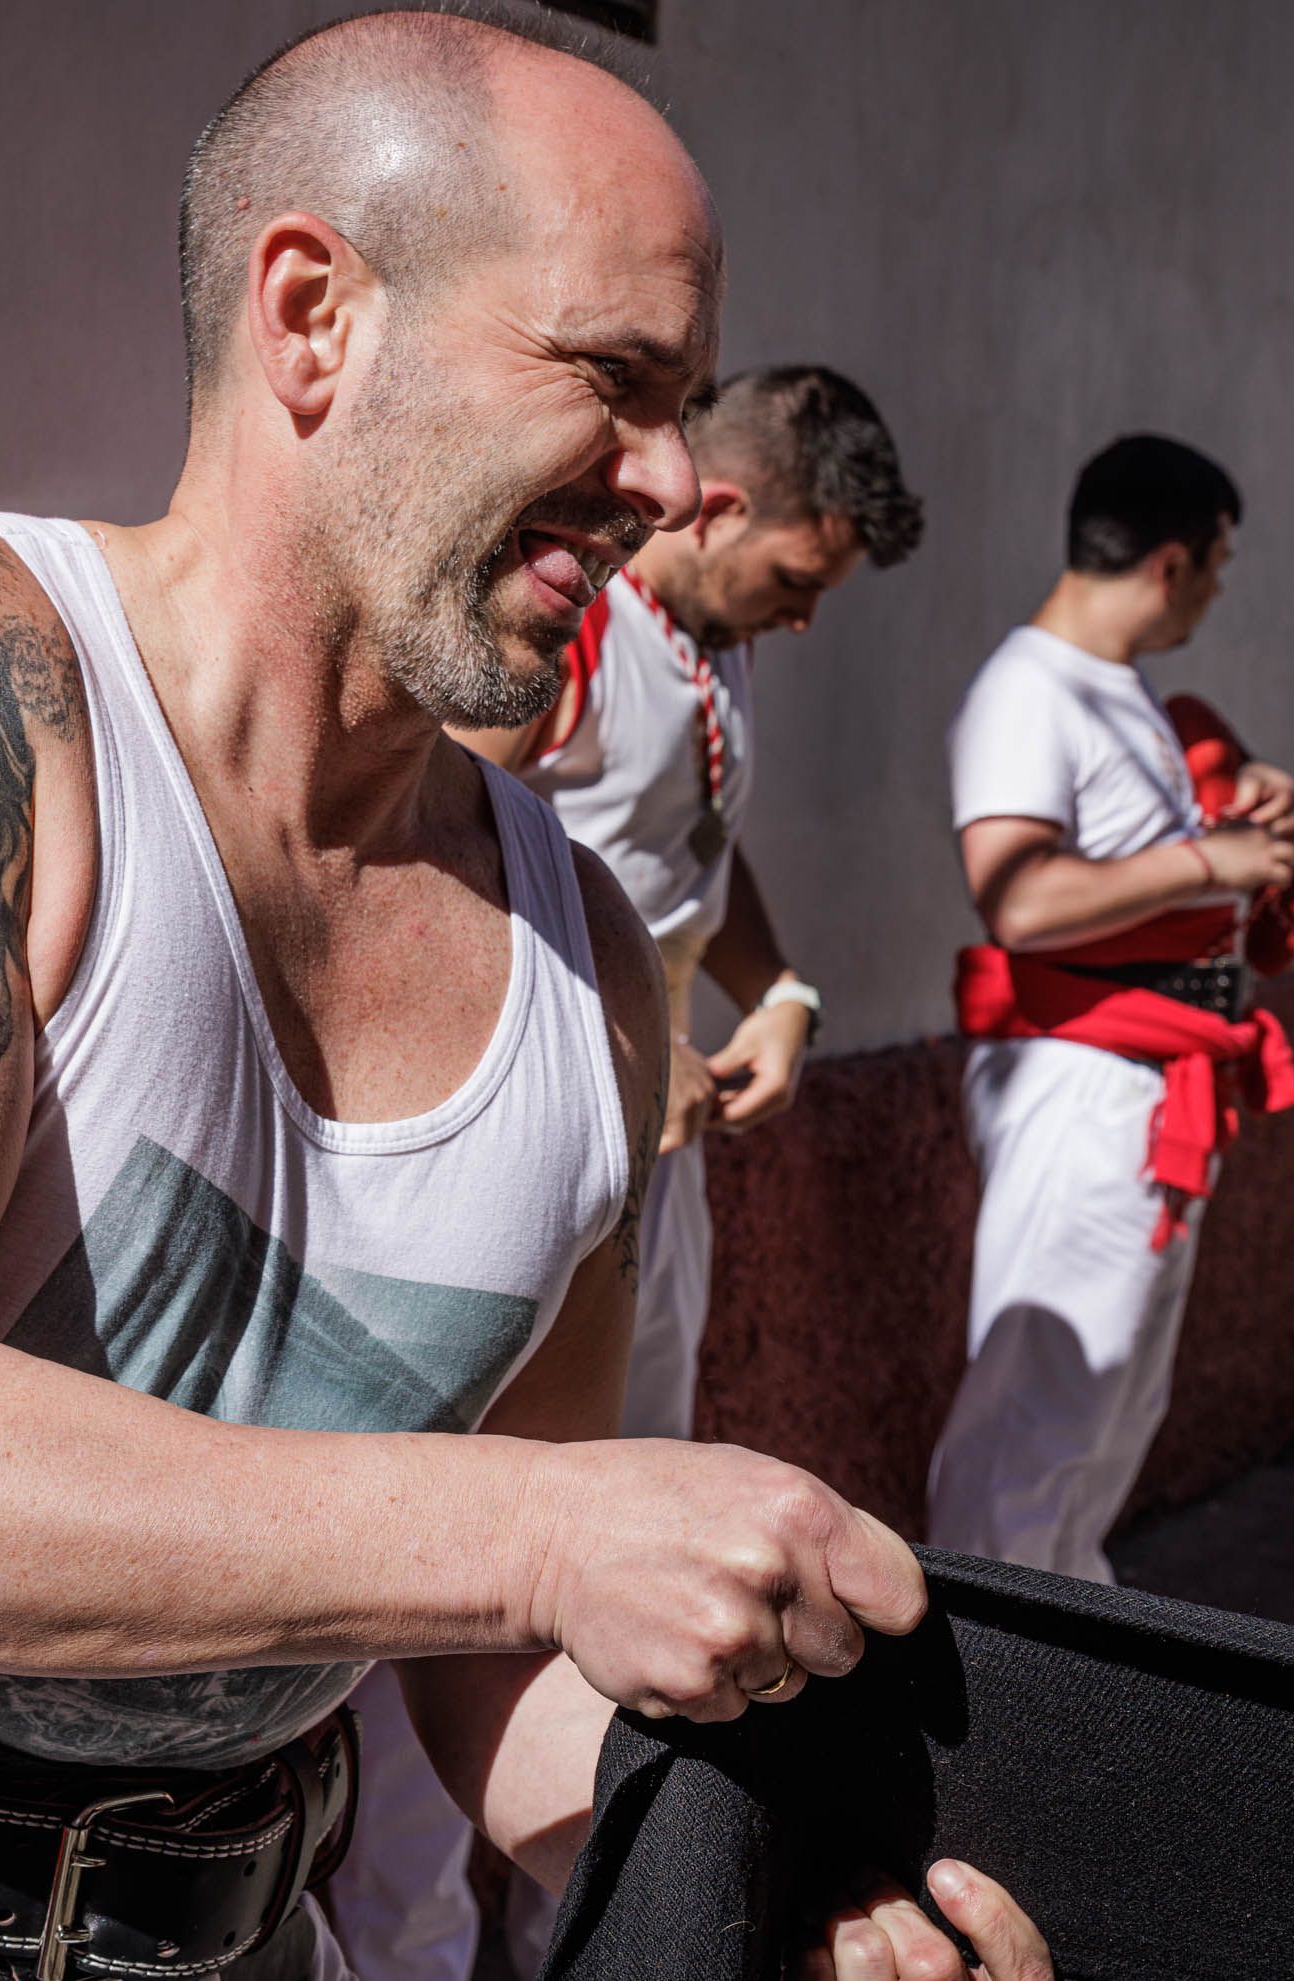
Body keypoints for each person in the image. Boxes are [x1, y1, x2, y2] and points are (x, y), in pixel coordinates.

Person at [0, 9, 1043, 1981]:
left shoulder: (590, 972)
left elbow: (489, 1675)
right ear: (311, 313)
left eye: (684, 399)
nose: (670, 476)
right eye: (613, 376)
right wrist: (536, 1531)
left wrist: (753, 1887)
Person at [333, 366, 926, 1981]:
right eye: (797, 579)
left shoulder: (696, 656)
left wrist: (781, 989)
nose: (799, 619)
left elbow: (683, 860)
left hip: (639, 1177)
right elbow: (439, 854)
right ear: (724, 508)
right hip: (520, 1172)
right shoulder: (565, 643)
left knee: (605, 1558)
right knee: (456, 1597)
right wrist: (613, 1036)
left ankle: (574, 1930)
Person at [931, 434, 1294, 1582]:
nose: (1217, 589)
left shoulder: (1117, 693)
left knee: (1108, 1408)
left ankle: (1058, 1659)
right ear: (1173, 562)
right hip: (1085, 1077)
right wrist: (1212, 864)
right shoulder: (1027, 688)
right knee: (1042, 1407)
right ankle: (988, 1679)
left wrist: (1239, 811)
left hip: (1152, 1073)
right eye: (1219, 564)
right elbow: (1021, 900)